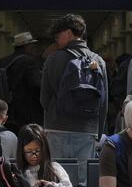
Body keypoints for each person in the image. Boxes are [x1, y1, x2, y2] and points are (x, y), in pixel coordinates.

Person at [41, 14, 108, 177]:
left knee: (57, 177)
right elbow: (103, 100)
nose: (56, 40)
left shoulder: (53, 59)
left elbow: (44, 97)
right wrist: (98, 130)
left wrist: (51, 118)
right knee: (83, 178)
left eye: (58, 35)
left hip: (57, 127)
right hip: (86, 129)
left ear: (69, 33)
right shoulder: (98, 60)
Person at [0, 31, 44, 133]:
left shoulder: (1, 62)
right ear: (27, 46)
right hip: (27, 113)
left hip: (4, 110)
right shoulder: (30, 62)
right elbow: (36, 85)